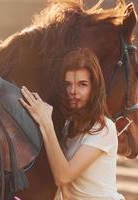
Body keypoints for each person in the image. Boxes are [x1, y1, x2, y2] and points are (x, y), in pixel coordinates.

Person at [19, 48, 124, 200]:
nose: (73, 91)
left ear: (94, 88)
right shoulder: (69, 126)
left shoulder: (103, 129)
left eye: (82, 84)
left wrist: (46, 122)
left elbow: (63, 177)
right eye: (68, 84)